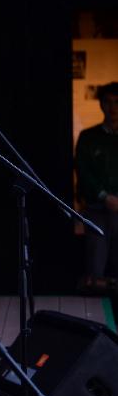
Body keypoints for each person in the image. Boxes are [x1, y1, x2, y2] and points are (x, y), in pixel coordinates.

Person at [76, 81, 118, 293]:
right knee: (95, 270)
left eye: (117, 103)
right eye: (108, 103)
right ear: (101, 105)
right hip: (97, 211)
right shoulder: (88, 138)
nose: (113, 108)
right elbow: (83, 173)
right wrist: (104, 197)